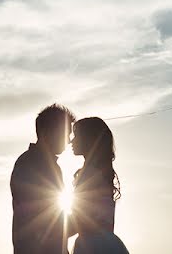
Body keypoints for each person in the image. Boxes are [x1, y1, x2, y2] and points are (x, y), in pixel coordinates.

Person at [11, 104, 76, 254]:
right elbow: (44, 220)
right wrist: (84, 221)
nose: (69, 140)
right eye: (65, 134)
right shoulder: (30, 165)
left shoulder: (45, 165)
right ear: (47, 132)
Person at [68, 117, 128, 254]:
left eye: (76, 136)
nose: (72, 140)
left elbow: (81, 218)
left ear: (89, 139)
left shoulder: (90, 175)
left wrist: (53, 232)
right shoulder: (101, 172)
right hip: (108, 243)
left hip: (92, 246)